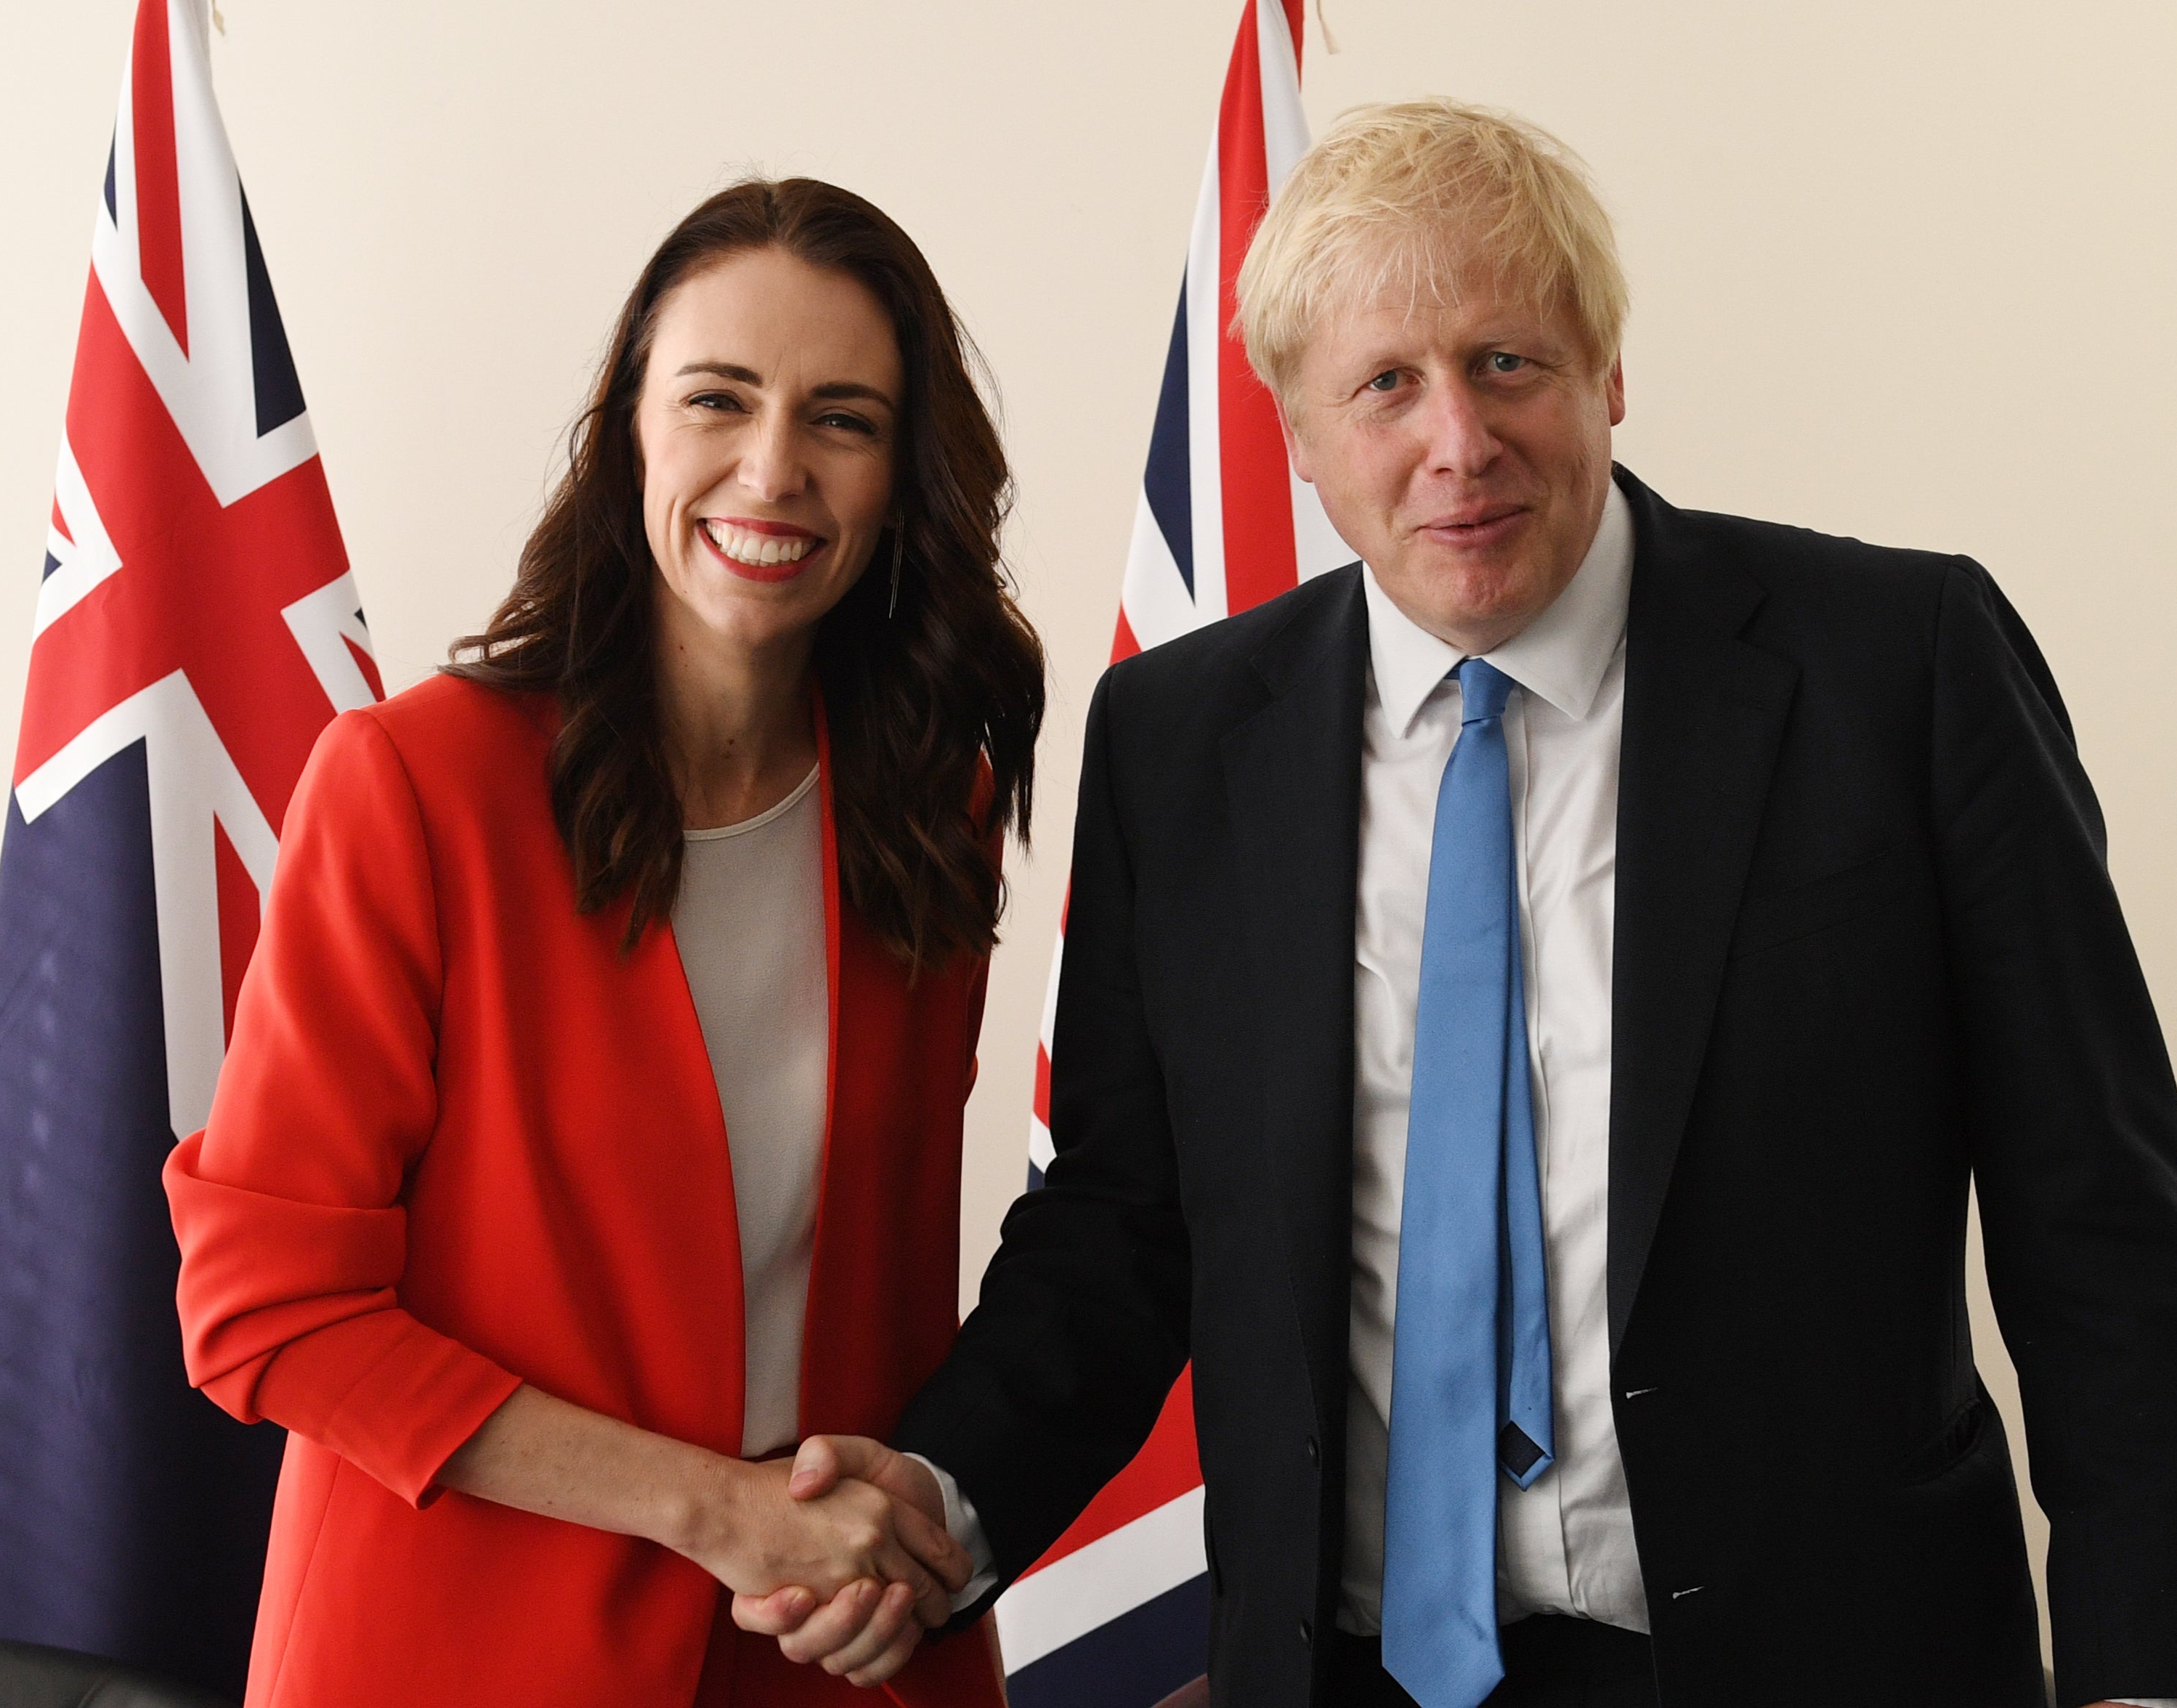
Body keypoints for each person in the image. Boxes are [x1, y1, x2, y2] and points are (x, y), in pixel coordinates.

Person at [739, 103, 2177, 1706]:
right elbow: (1126, 1221)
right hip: (1345, 1673)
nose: (1458, 445)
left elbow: (2104, 1228)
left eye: (1508, 363)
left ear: (1607, 376)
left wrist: (2140, 1669)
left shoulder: (1899, 669)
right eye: (1386, 386)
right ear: (1292, 428)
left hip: (1829, 1658)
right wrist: (942, 1498)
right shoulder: (1184, 742)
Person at [162, 176, 1043, 1708]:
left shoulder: (929, 809)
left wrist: (905, 1535)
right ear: (629, 424)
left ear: (904, 479)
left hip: (829, 1654)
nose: (772, 471)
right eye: (718, 399)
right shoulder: (416, 789)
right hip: (460, 1653)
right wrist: (711, 1507)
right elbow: (263, 1307)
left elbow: (888, 1289)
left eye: (843, 419)